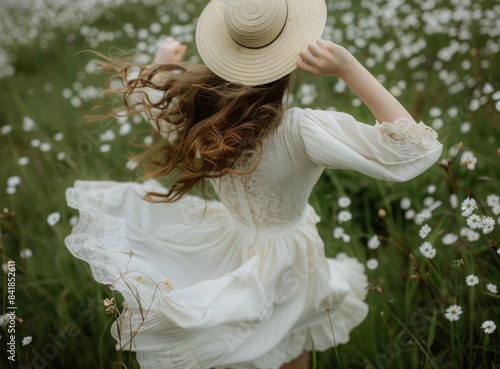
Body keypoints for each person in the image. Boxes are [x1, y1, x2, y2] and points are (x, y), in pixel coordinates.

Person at [65, 0, 443, 368]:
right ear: (293, 55)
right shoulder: (299, 130)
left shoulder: (200, 114)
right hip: (291, 261)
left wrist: (161, 61)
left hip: (229, 246)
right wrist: (349, 68)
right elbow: (414, 149)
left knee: (238, 345)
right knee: (290, 343)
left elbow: (153, 102)